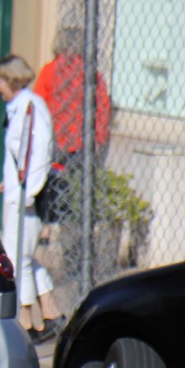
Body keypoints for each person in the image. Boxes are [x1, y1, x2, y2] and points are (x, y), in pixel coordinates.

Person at [0, 54, 65, 340]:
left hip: (25, 198)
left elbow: (40, 150)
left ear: (11, 79)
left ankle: (25, 322)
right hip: (17, 193)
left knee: (16, 257)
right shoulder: (19, 108)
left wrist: (29, 190)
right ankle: (50, 312)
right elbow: (22, 154)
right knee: (22, 256)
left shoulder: (32, 107)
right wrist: (8, 182)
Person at [32, 26, 111, 238]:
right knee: (77, 186)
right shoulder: (91, 74)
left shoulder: (50, 71)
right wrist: (98, 138)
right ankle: (75, 227)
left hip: (55, 140)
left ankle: (48, 228)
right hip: (82, 141)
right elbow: (102, 107)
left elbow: (38, 104)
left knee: (51, 182)